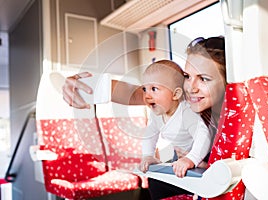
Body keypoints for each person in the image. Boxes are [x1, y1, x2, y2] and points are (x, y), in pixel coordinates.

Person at [62, 36, 226, 199]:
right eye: (187, 76)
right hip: (184, 165)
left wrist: (195, 160)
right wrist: (87, 87)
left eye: (204, 79)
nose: (191, 88)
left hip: (203, 172)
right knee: (155, 183)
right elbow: (134, 94)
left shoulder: (231, 114)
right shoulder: (181, 94)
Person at [138, 60, 211, 178]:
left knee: (189, 169)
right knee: (155, 182)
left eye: (154, 89)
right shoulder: (156, 115)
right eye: (144, 89)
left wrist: (191, 158)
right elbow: (150, 134)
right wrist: (148, 155)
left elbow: (203, 136)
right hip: (180, 154)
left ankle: (203, 166)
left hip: (201, 153)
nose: (147, 95)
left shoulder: (186, 112)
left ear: (175, 94)